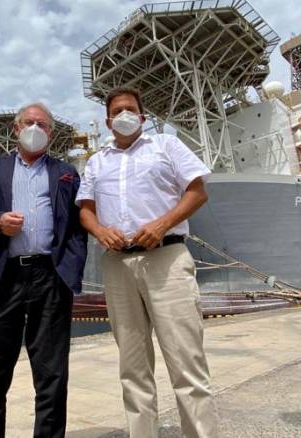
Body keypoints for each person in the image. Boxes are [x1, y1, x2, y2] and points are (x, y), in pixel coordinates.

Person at [76, 87, 218, 438]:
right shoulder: (97, 161)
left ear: (142, 116)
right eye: (117, 111)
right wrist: (99, 231)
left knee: (187, 364)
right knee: (133, 368)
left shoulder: (166, 146)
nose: (124, 115)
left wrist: (162, 223)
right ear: (108, 121)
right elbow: (86, 210)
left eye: (131, 109)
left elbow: (198, 190)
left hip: (166, 258)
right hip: (117, 265)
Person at [0, 102, 87, 438]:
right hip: (2, 279)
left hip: (50, 279)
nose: (35, 128)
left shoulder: (66, 173)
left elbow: (79, 224)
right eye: (28, 122)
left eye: (42, 124)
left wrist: (70, 269)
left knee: (52, 377)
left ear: (51, 133)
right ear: (16, 129)